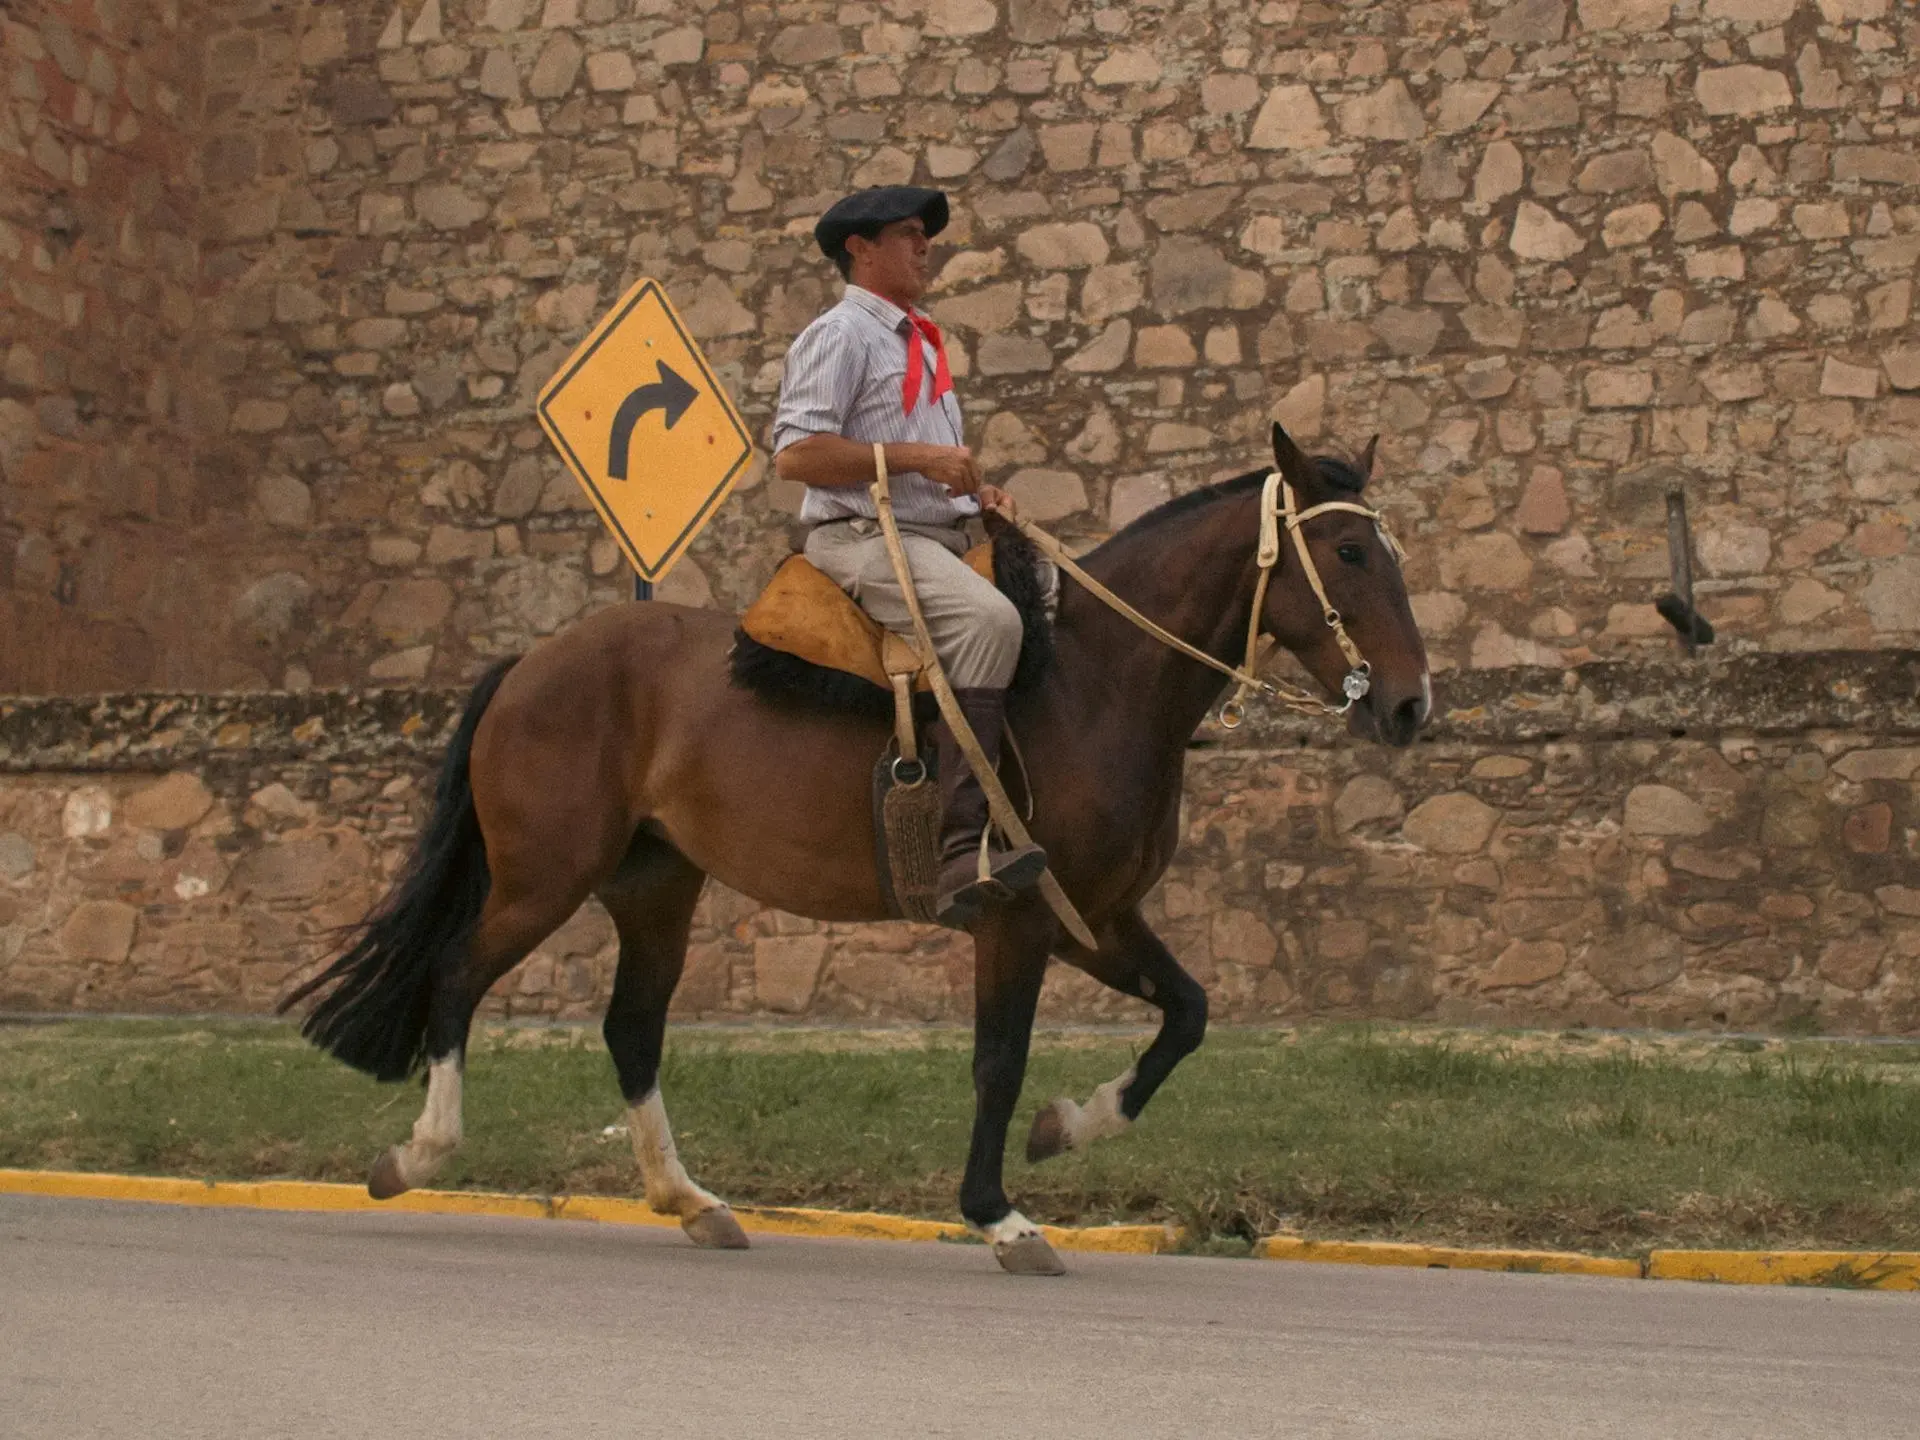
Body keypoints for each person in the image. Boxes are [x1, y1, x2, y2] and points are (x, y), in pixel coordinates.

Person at [771, 185, 1046, 929]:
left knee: (1057, 598)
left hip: (935, 536)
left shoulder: (919, 340)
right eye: (908, 234)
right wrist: (923, 456)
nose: (925, 246)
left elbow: (921, 467)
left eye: (925, 235)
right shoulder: (841, 335)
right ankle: (962, 848)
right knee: (989, 623)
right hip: (860, 540)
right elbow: (796, 456)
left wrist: (975, 495)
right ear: (860, 250)